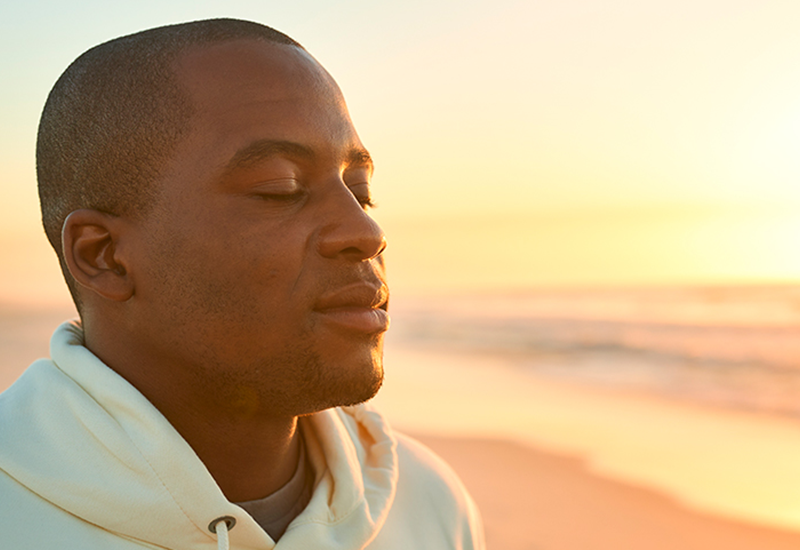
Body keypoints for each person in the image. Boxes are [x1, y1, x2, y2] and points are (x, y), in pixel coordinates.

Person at [0, 18, 484, 550]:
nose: (366, 233)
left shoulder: (428, 503)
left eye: (360, 190)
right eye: (281, 188)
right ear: (105, 257)